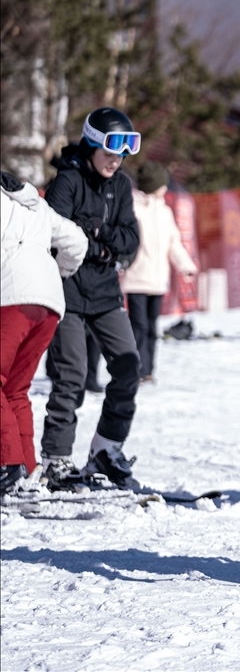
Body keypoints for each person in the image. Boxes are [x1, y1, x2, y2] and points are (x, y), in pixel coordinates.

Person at [40, 106, 142, 490]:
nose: (116, 161)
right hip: (66, 290)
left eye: (123, 154)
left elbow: (131, 240)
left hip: (103, 293)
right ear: (92, 144)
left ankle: (106, 447)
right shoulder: (67, 182)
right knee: (71, 377)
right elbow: (53, 237)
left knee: (129, 367)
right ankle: (56, 460)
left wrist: (96, 236)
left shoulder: (122, 186)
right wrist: (97, 242)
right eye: (110, 152)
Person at [1, 172, 88, 494]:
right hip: (49, 304)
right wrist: (59, 271)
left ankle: (7, 466)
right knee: (15, 389)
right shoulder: (38, 205)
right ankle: (27, 468)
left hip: (9, 300)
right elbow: (78, 242)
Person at [122, 161, 198, 383]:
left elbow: (174, 243)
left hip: (157, 280)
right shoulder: (133, 208)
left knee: (151, 327)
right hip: (136, 278)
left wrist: (186, 266)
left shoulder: (165, 212)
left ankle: (147, 371)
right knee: (139, 326)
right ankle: (135, 369)